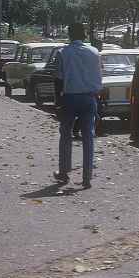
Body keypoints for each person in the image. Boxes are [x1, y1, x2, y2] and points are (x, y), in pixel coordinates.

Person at [53, 22, 102, 187]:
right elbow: (98, 77)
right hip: (89, 98)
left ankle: (64, 172)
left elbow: (58, 79)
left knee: (66, 135)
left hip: (69, 98)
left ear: (70, 35)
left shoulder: (63, 53)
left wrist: (57, 101)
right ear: (84, 35)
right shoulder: (95, 53)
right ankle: (87, 178)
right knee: (88, 136)